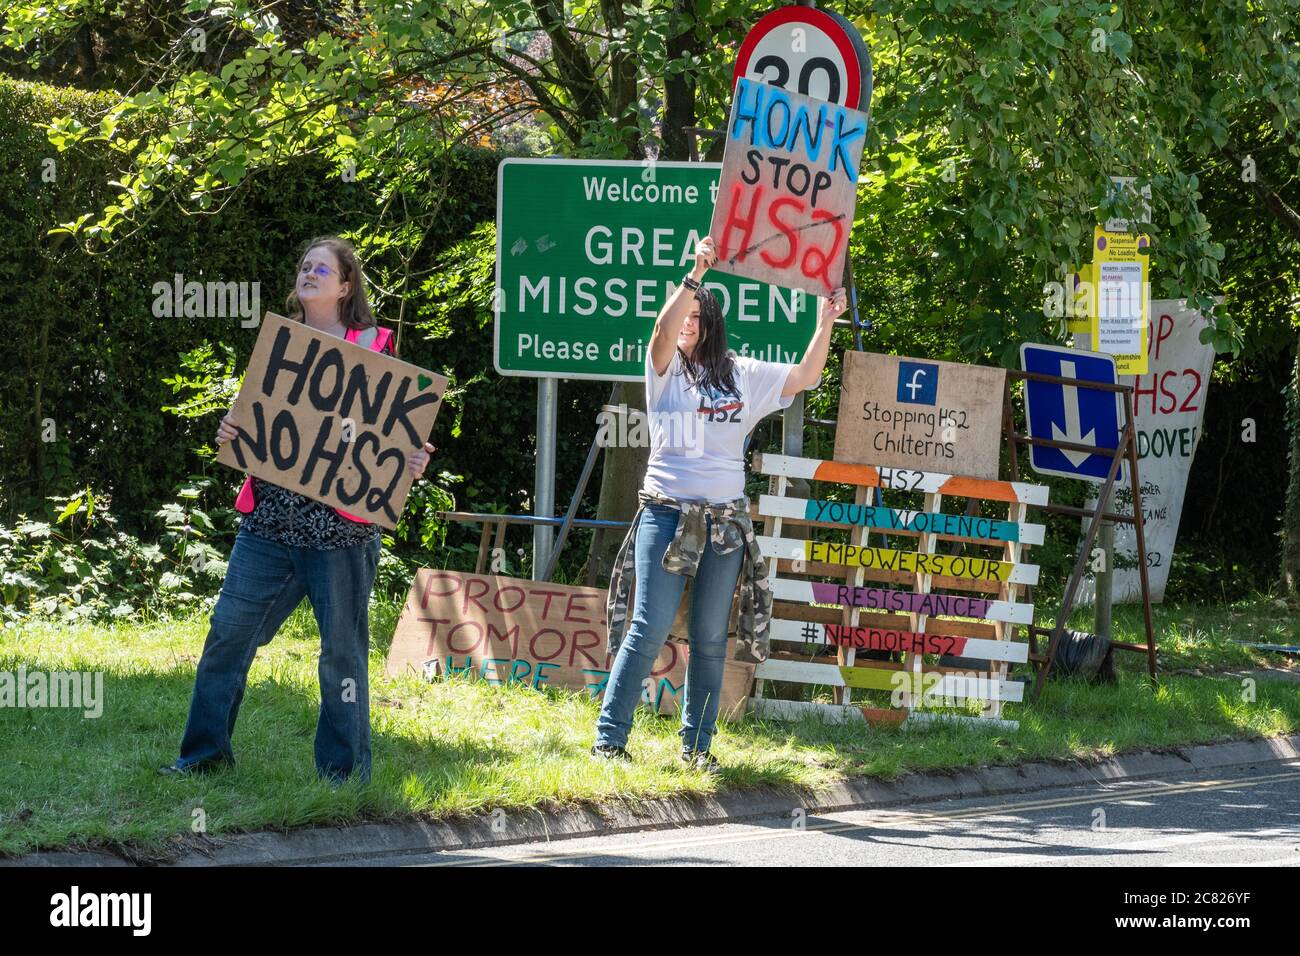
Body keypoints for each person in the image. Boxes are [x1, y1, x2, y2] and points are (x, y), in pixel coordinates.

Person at [160, 236, 436, 784]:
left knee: (341, 658)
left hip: (340, 537)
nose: (309, 274)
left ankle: (343, 776)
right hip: (267, 527)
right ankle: (202, 757)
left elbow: (394, 437)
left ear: (345, 285)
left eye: (321, 269)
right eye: (304, 267)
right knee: (228, 637)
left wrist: (411, 458)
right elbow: (256, 424)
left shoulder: (374, 350)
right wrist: (230, 431)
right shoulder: (280, 347)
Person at [592, 235, 847, 771]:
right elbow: (661, 332)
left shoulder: (743, 373)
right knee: (648, 627)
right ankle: (610, 740)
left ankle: (697, 748)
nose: (684, 320)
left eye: (694, 313)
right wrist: (695, 273)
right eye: (681, 309)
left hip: (725, 524)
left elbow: (806, 377)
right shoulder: (663, 372)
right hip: (666, 513)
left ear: (710, 321)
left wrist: (825, 323)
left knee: (710, 637)